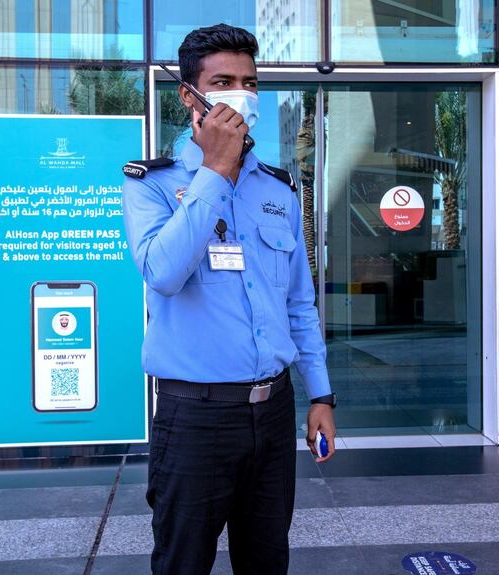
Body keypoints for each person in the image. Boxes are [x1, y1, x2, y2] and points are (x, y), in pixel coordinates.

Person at [121, 23, 337, 575]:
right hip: (194, 418)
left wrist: (321, 396)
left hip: (273, 414)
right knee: (182, 562)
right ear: (188, 94)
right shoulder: (150, 185)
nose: (239, 93)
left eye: (249, 82)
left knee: (266, 561)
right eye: (223, 81)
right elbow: (163, 273)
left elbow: (299, 304)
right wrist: (215, 169)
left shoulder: (278, 189)